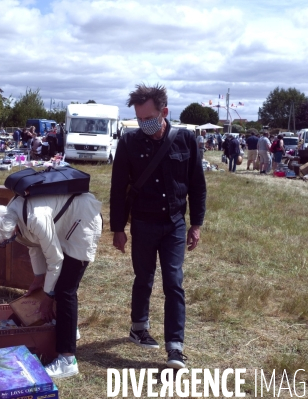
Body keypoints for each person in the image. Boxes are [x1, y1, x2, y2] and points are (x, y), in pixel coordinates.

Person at [109, 84, 206, 370]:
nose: (143, 125)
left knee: (174, 283)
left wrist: (196, 224)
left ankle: (175, 347)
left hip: (175, 224)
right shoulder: (129, 142)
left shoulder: (186, 140)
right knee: (144, 277)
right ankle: (138, 327)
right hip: (142, 222)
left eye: (148, 118)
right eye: (138, 119)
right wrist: (118, 228)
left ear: (164, 112)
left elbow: (198, 186)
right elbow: (118, 189)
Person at [0, 192, 103, 378]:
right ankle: (66, 327)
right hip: (66, 222)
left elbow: (55, 259)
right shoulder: (12, 213)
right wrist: (38, 277)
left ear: (11, 230)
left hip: (83, 222)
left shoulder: (35, 218)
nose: (7, 244)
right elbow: (33, 245)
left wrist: (48, 295)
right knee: (58, 285)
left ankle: (67, 361)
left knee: (65, 290)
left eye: (4, 242)